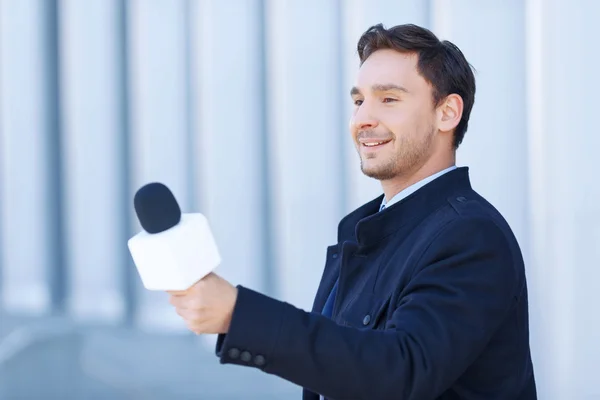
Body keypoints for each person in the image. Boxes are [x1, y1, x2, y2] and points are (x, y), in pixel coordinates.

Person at [167, 23, 537, 400]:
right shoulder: (369, 229)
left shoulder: (471, 236)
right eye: (359, 101)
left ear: (447, 113)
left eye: (388, 99)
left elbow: (401, 370)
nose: (363, 118)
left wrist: (239, 314)